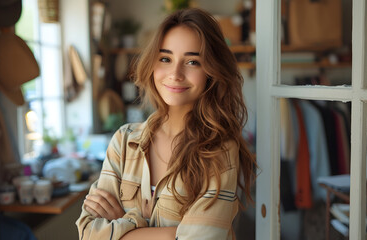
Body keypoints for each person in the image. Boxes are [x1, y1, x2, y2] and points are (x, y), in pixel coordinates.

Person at [76, 8, 256, 240]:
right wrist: (170, 234)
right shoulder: (124, 141)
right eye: (165, 58)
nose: (175, 73)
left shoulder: (219, 150)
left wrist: (124, 223)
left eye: (192, 61)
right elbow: (87, 233)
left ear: (211, 72)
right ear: (152, 63)